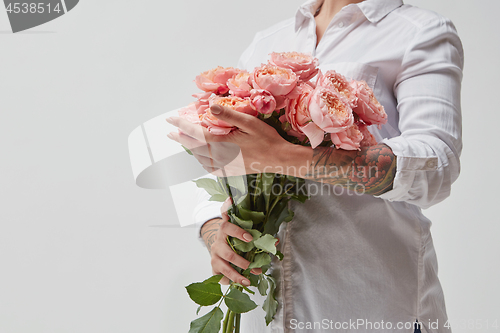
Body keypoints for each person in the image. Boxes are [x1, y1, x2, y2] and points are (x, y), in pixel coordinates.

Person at [167, 0, 463, 331]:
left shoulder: (419, 32)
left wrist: (281, 156)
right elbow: (224, 160)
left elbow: (437, 164)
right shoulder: (267, 43)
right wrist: (214, 232)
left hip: (371, 305)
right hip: (265, 312)